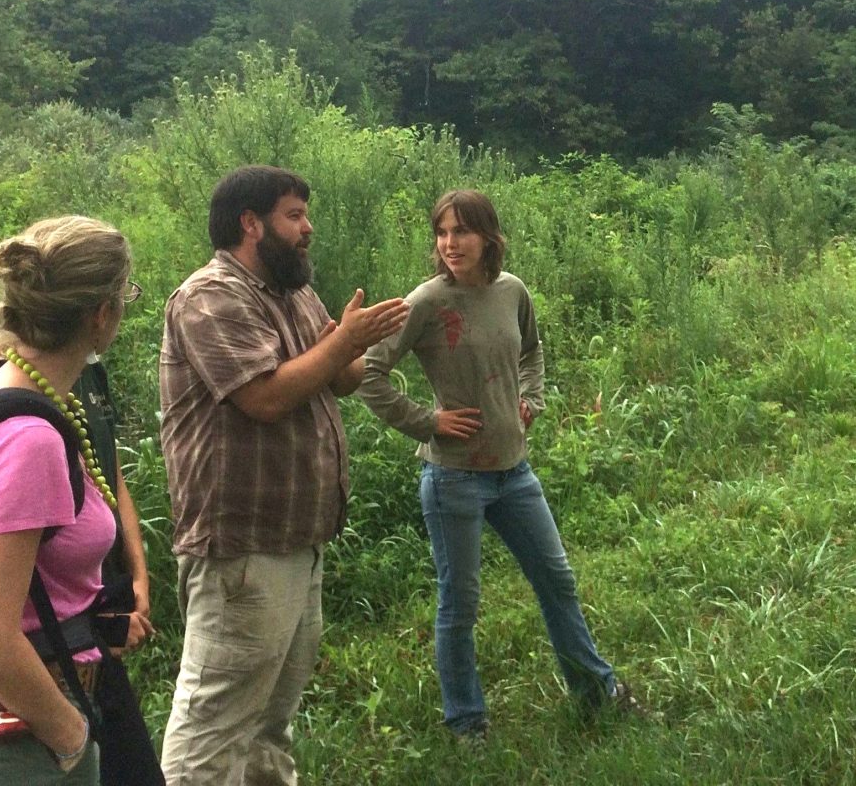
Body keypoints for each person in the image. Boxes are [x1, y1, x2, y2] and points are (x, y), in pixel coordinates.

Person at [159, 165, 410, 786]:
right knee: (214, 729)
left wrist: (351, 343)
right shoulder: (212, 297)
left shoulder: (292, 291)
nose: (308, 228)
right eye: (294, 216)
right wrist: (341, 343)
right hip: (242, 547)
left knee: (271, 722)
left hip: (297, 539)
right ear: (251, 223)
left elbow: (341, 380)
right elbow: (265, 397)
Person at [358, 189, 640, 739]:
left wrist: (531, 399)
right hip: (453, 477)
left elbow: (531, 350)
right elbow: (370, 372)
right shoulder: (427, 302)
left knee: (557, 581)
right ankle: (467, 723)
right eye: (442, 233)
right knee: (460, 604)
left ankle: (595, 693)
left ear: (488, 237)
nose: (450, 244)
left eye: (461, 231)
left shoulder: (512, 291)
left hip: (514, 473)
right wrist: (427, 421)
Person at [0, 215, 144, 784]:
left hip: (47, 701)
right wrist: (71, 739)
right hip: (26, 733)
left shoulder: (2, 388)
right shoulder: (30, 440)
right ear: (101, 315)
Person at [74, 355, 165, 786]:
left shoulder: (90, 370)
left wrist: (138, 575)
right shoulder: (33, 389)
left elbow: (113, 480)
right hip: (72, 632)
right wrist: (96, 624)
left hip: (102, 607)